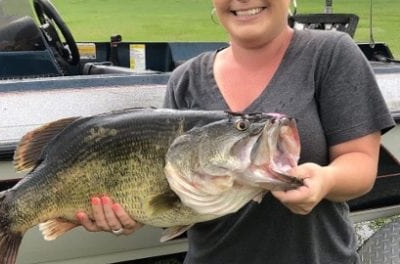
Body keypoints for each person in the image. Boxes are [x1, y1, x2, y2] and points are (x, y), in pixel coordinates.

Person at [77, 0, 395, 263]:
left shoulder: (330, 54)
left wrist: (325, 182)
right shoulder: (185, 80)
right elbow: (169, 195)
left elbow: (361, 164)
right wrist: (128, 214)